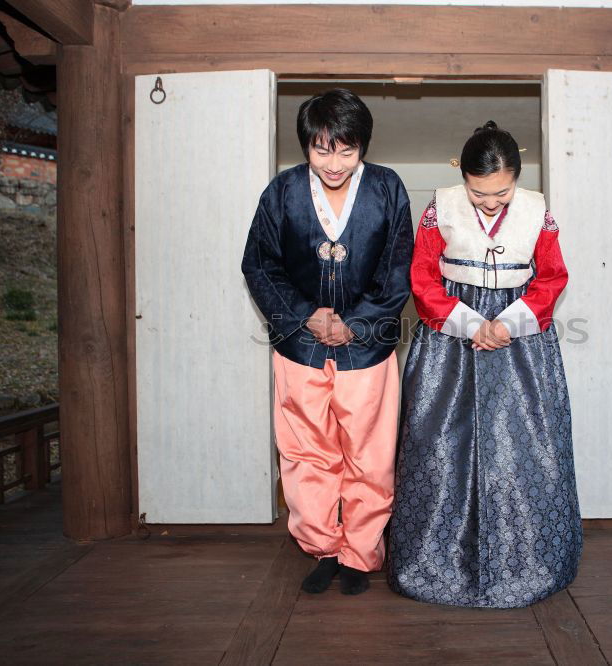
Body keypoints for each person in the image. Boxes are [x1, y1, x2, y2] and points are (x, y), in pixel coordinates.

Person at [388, 121, 581, 608]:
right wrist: (469, 323)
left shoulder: (539, 211)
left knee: (523, 445)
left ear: (517, 176)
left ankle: (529, 562)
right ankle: (435, 561)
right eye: (479, 193)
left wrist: (509, 322)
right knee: (438, 444)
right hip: (450, 339)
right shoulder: (440, 207)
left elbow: (552, 277)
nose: (491, 202)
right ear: (462, 177)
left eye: (502, 192)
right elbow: (423, 276)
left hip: (521, 343)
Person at [241, 89, 412, 596]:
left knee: (370, 455)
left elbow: (398, 267)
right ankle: (323, 549)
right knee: (305, 454)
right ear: (306, 148)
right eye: (321, 150)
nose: (334, 163)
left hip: (367, 348)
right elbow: (259, 264)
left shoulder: (386, 188)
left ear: (362, 147)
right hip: (301, 346)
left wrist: (355, 324)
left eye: (346, 150)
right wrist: (304, 316)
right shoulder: (282, 192)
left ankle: (360, 554)